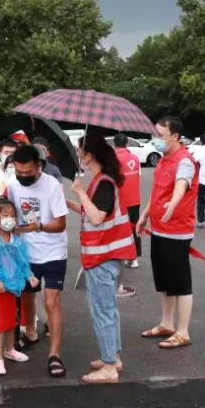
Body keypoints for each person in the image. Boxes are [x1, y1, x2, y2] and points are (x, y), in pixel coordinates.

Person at [69, 136, 136, 384]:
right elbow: (94, 211)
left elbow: (97, 217)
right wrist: (72, 202)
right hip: (107, 255)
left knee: (102, 311)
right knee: (108, 309)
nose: (78, 155)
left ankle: (109, 365)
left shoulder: (104, 182)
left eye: (80, 151)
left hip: (102, 256)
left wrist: (78, 192)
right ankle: (113, 356)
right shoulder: (101, 181)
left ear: (90, 155)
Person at [135, 116, 199, 350]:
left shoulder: (185, 161)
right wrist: (144, 215)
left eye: (160, 136)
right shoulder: (164, 160)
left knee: (180, 282)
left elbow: (181, 185)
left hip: (177, 230)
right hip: (160, 228)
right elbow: (158, 192)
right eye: (155, 134)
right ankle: (167, 323)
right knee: (164, 281)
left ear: (175, 137)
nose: (156, 140)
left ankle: (183, 331)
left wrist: (174, 204)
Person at [8, 144, 69, 378]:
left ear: (39, 167)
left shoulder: (52, 186)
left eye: (28, 173)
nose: (23, 177)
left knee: (51, 302)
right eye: (19, 172)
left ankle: (55, 354)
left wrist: (38, 226)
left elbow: (61, 224)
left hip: (53, 253)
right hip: (27, 253)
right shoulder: (13, 186)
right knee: (27, 297)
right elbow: (10, 213)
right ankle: (31, 333)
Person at [0, 198, 35, 376]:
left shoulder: (16, 240)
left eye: (12, 215)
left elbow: (23, 261)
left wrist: (29, 276)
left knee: (13, 322)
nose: (9, 219)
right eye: (5, 215)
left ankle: (9, 349)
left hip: (14, 289)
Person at [113, 133, 142, 270]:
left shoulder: (115, 159)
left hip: (121, 201)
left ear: (114, 144)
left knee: (121, 230)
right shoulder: (135, 158)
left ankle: (126, 256)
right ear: (126, 144)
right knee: (134, 228)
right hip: (135, 199)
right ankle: (134, 257)